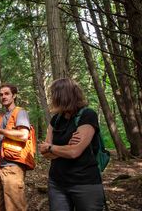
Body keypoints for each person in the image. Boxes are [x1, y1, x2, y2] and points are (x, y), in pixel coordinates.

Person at [38, 78, 104, 210]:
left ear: (63, 96)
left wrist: (52, 148)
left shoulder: (87, 115)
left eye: (54, 95)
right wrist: (65, 148)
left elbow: (74, 152)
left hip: (84, 183)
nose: (52, 99)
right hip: (56, 183)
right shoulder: (55, 119)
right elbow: (44, 152)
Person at [0, 83, 31, 211]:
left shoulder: (20, 112)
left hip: (14, 166)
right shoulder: (2, 116)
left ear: (14, 95)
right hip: (0, 167)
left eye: (7, 94)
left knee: (15, 207)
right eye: (1, 94)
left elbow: (23, 135)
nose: (3, 96)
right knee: (1, 207)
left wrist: (1, 131)